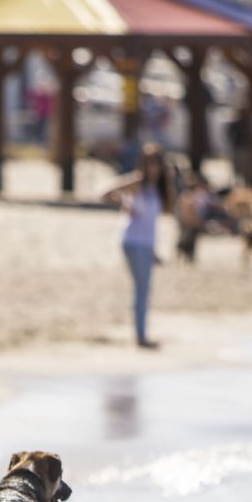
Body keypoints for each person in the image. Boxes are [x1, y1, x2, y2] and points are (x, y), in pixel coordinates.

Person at [102, 143, 173, 349]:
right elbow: (105, 193)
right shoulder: (137, 184)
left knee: (144, 289)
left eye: (156, 163)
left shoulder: (157, 188)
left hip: (146, 243)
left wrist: (154, 251)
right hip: (132, 241)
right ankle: (141, 336)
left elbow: (151, 224)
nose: (153, 167)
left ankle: (141, 333)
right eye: (150, 163)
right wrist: (123, 203)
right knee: (142, 289)